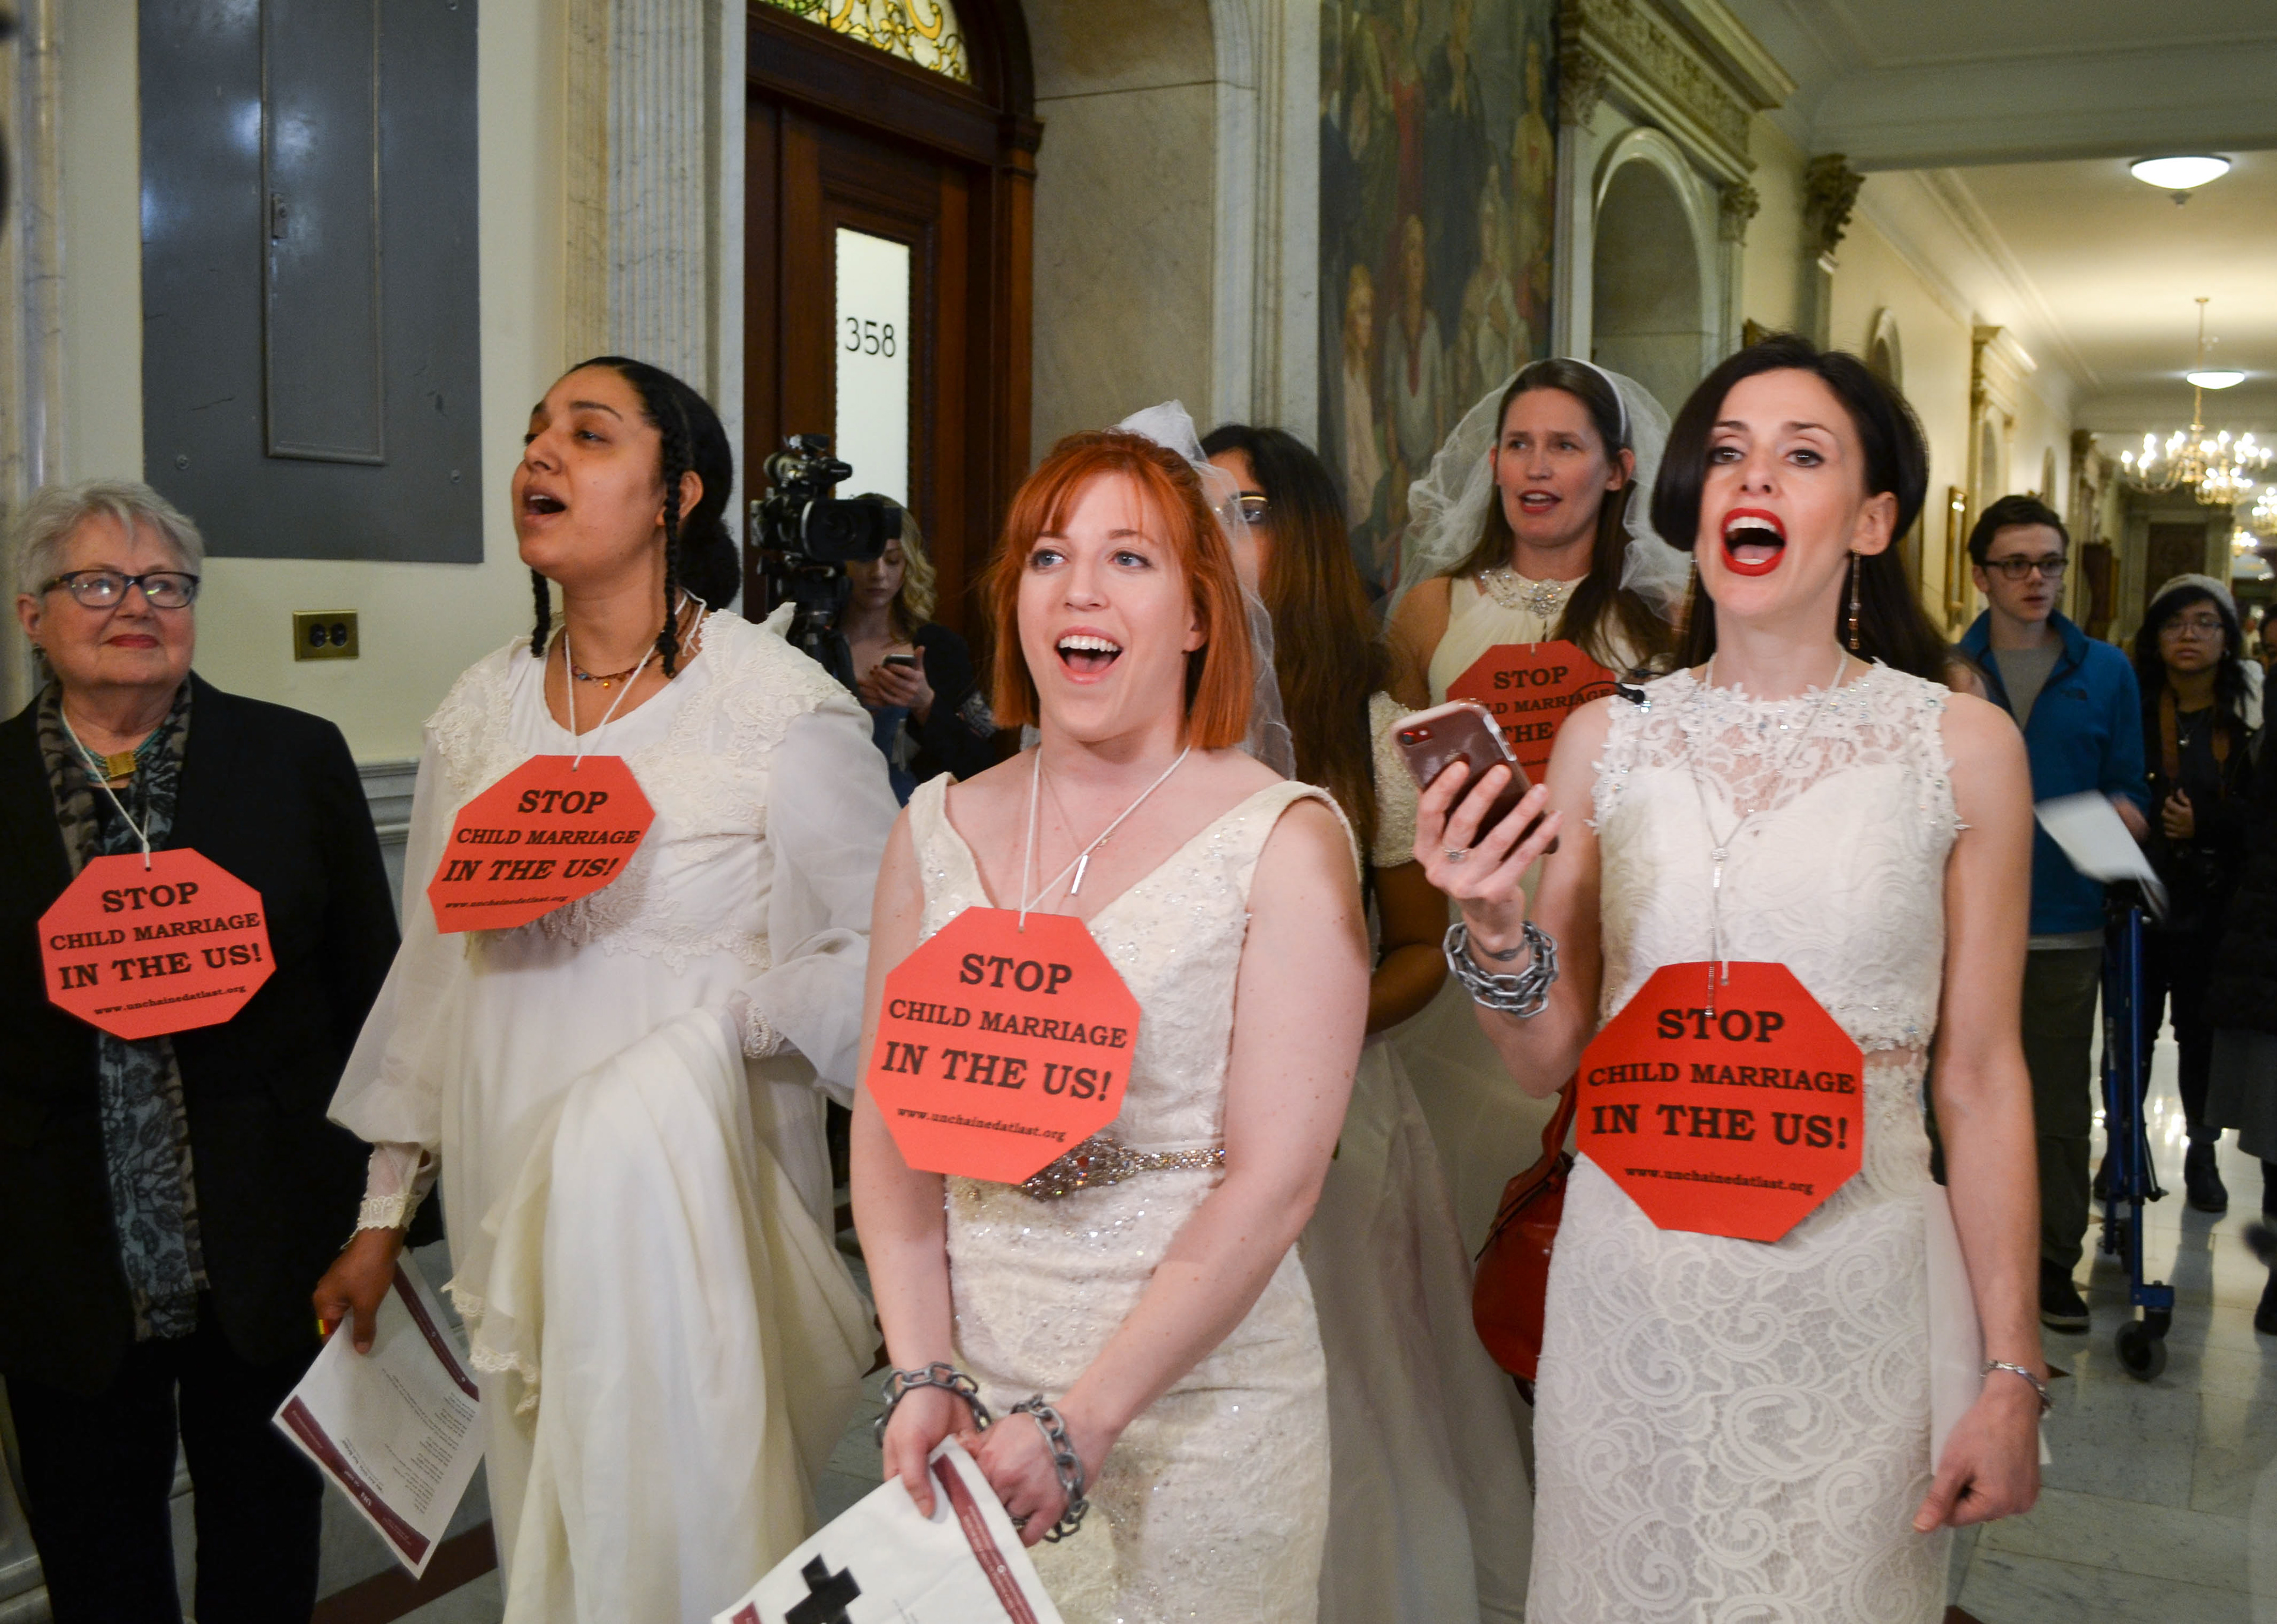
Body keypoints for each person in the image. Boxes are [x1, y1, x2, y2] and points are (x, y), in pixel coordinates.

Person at [1415, 334, 2045, 1618]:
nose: (1753, 478)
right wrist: (1491, 930)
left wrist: (2010, 1370)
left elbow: (1980, 1079)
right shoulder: (1608, 738)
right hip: (1630, 1292)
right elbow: (1549, 1055)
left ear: (1871, 518)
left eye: (1802, 456)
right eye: (1728, 455)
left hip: (1853, 1296)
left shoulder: (1958, 746)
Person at [318, 357, 888, 1624]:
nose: (542, 457)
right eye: (533, 436)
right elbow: (433, 976)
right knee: (552, 1521)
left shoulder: (773, 707)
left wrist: (726, 1026)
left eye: (588, 432)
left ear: (677, 493)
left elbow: (883, 951)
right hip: (510, 1187)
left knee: (690, 1530)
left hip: (698, 1193)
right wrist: (378, 1213)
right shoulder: (482, 713)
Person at [853, 423, 1370, 1623]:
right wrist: (925, 1365)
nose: (1079, 587)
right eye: (1047, 556)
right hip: (974, 1406)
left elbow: (1276, 1183)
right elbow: (890, 1127)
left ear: (1198, 615)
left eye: (1129, 559)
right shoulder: (934, 826)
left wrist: (1085, 1420)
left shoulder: (1282, 840)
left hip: (1203, 1423)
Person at [2, 480, 397, 1623]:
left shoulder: (293, 758)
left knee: (266, 1555)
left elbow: (373, 1002)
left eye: (164, 584)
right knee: (99, 1567)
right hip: (60, 1262)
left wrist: (381, 1220)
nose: (136, 605)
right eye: (97, 581)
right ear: (34, 612)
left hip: (268, 1252)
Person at [1204, 422, 1530, 1623]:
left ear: (1298, 540)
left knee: (1349, 1381)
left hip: (1333, 1108)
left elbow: (1420, 949)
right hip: (1177, 1119)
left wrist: (1312, 1034)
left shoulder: (1371, 726)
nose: (1210, 534)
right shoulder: (1150, 705)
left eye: (1240, 510)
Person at [1382, 357, 1686, 1254]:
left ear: (1619, 470)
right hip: (1468, 932)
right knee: (1457, 1209)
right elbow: (1393, 782)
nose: (1538, 467)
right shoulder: (1431, 610)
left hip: (1606, 935)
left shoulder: (1667, 618)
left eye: (1564, 445)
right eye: (1519, 445)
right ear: (1495, 467)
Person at [1955, 493, 2148, 1334]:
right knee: (1948, 1095)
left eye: (2051, 564)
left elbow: (2133, 790)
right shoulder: (1940, 669)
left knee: (2056, 1103)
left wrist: (2110, 822)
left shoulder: (2105, 669)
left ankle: (2049, 1263)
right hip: (1956, 920)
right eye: (2017, 564)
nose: (2038, 580)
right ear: (1981, 574)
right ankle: (1954, 1255)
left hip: (2061, 920)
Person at [2131, 574, 2257, 1212]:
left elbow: (2263, 814)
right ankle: (2126, 1155)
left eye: (2206, 623)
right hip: (2138, 896)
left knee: (2199, 1037)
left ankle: (2203, 1156)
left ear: (2227, 638)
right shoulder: (2133, 704)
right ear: (2155, 638)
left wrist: (2208, 823)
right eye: (2177, 623)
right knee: (2133, 1030)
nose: (2190, 636)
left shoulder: (2249, 715)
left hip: (2218, 907)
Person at [842, 496, 997, 800]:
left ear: (909, 564)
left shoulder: (940, 649)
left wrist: (926, 705)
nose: (879, 574)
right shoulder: (808, 641)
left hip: (917, 822)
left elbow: (983, 766)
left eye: (892, 560)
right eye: (865, 559)